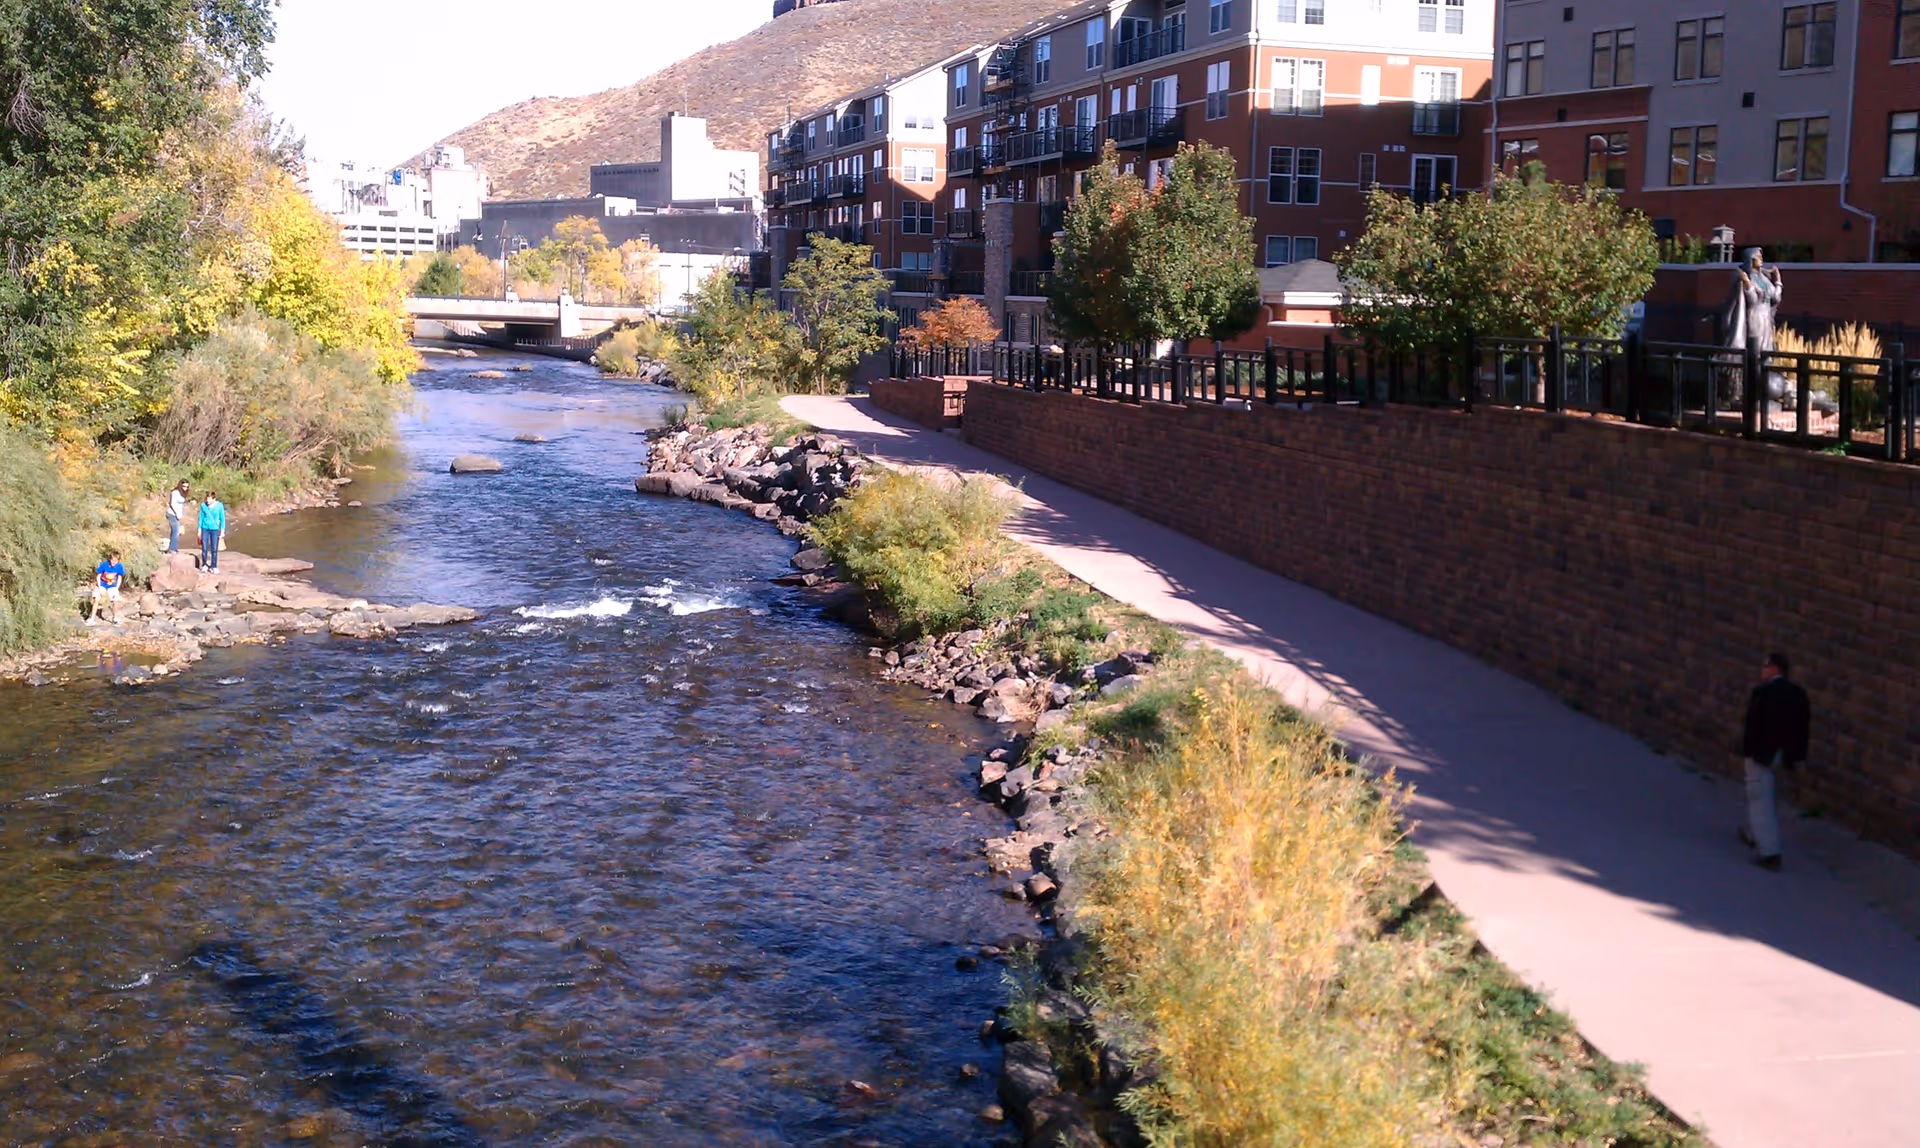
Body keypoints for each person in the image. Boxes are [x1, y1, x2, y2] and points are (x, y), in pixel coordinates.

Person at [1738, 652, 1811, 871]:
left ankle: (1769, 852)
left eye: (1764, 666)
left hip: (1762, 754)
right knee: (1772, 798)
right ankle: (1753, 832)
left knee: (1759, 798)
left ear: (1773, 668)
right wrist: (1798, 757)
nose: (1761, 671)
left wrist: (1747, 751)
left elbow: (1752, 726)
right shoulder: (1799, 694)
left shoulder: (1762, 693)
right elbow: (1803, 730)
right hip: (1785, 755)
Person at [91, 550, 127, 624]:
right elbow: (98, 576)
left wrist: (117, 588)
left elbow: (119, 578)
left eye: (116, 561)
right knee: (96, 599)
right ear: (110, 559)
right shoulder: (104, 565)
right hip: (102, 584)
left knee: (115, 601)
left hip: (112, 585)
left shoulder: (119, 567)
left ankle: (115, 618)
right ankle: (92, 618)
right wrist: (99, 586)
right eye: (112, 560)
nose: (114, 562)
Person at [198, 490, 227, 573]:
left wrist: (222, 531)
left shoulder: (219, 506)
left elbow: (222, 519)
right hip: (205, 528)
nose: (208, 501)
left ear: (214, 499)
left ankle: (213, 566)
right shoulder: (203, 506)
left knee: (214, 548)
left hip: (214, 529)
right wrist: (199, 530)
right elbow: (201, 518)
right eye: (207, 499)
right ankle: (204, 564)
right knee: (204, 547)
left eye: (209, 499)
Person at [165, 479, 189, 553]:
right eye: (184, 486)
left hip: (177, 514)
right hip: (172, 514)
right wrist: (176, 513)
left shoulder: (182, 493)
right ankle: (172, 549)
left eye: (187, 487)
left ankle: (173, 548)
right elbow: (172, 504)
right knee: (175, 531)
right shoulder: (175, 493)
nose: (185, 488)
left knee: (176, 531)